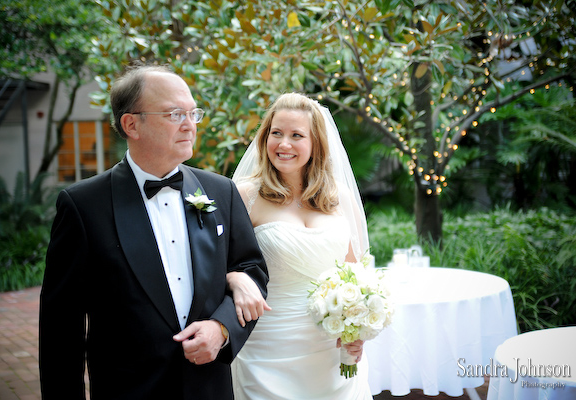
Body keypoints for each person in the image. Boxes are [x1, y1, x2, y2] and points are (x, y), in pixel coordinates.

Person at [38, 64, 269, 400]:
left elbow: (253, 270)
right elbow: (62, 330)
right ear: (132, 124)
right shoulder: (83, 206)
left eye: (193, 113)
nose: (190, 125)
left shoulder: (221, 191)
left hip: (209, 389)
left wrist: (221, 329)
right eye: (175, 114)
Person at [229, 93, 373, 399]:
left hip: (330, 349)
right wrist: (233, 278)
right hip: (267, 346)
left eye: (297, 135)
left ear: (315, 143)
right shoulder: (245, 196)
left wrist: (357, 330)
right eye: (276, 133)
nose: (283, 144)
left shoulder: (341, 198)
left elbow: (354, 274)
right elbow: (220, 265)